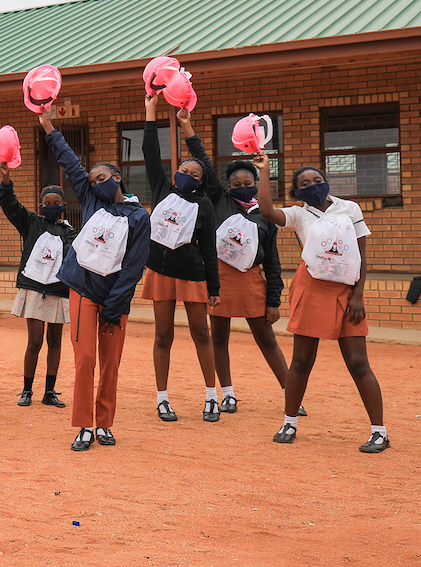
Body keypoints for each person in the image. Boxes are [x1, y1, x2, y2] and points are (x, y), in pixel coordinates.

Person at [254, 155, 388, 453]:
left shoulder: (349, 208)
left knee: (357, 362)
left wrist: (358, 295)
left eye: (316, 180)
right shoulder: (299, 214)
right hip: (312, 288)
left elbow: (361, 256)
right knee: (302, 361)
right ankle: (290, 422)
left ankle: (379, 432)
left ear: (326, 182)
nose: (312, 186)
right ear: (297, 192)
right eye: (304, 184)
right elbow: (265, 210)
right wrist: (264, 171)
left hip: (347, 292)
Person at [39, 105, 150, 451]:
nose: (96, 183)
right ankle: (84, 425)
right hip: (84, 291)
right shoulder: (90, 202)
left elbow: (134, 266)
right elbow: (71, 163)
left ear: (117, 178)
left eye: (102, 178)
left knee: (110, 365)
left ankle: (105, 424)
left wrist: (116, 305)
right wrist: (48, 126)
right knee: (85, 360)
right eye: (92, 181)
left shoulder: (138, 217)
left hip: (116, 298)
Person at [179, 111, 302, 416]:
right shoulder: (220, 200)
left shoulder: (266, 214)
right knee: (218, 337)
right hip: (220, 279)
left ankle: (292, 394)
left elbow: (272, 260)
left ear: (257, 183)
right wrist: (186, 125)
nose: (241, 187)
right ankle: (228, 394)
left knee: (267, 339)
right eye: (236, 183)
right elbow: (203, 161)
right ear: (228, 186)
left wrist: (273, 299)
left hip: (252, 282)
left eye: (248, 182)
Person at [141, 95, 221, 423]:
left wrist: (213, 286)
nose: (187, 173)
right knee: (163, 335)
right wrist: (150, 110)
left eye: (194, 172)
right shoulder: (162, 189)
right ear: (175, 174)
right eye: (182, 169)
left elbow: (209, 249)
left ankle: (212, 397)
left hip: (193, 275)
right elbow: (149, 153)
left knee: (202, 333)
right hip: (160, 272)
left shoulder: (205, 204)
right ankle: (162, 399)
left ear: (201, 181)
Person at [0, 163, 77, 408]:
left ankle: (50, 391)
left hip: (58, 291)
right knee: (35, 341)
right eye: (47, 202)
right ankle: (27, 390)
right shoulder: (31, 223)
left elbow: (76, 258)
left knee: (56, 341)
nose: (51, 206)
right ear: (41, 205)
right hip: (34, 289)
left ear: (63, 206)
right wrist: (6, 181)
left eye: (56, 202)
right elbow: (10, 206)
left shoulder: (70, 233)